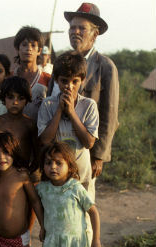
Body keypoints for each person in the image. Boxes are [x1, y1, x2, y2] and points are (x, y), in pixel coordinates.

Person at [48, 2, 119, 187]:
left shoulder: (105, 66)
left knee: (82, 207)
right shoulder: (60, 63)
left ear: (95, 34)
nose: (75, 32)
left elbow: (109, 116)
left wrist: (99, 156)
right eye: (72, 27)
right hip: (55, 154)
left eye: (82, 28)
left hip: (83, 151)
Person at [36, 142, 101, 247]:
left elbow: (93, 212)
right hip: (53, 244)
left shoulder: (75, 188)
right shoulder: (42, 188)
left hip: (75, 245)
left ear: (70, 166)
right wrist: (43, 227)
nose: (53, 167)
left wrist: (96, 240)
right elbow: (37, 207)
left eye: (59, 163)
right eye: (48, 162)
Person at [0, 76, 40, 247]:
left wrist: (30, 171)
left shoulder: (29, 124)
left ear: (27, 99)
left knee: (26, 208)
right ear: (4, 99)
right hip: (0, 174)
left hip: (22, 175)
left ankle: (26, 240)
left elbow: (37, 151)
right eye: (10, 97)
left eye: (20, 98)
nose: (15, 102)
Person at [38, 51, 99, 199]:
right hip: (57, 177)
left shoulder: (88, 105)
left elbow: (89, 142)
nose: (69, 86)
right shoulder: (48, 104)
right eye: (64, 81)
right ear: (57, 80)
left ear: (82, 80)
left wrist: (71, 112)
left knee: (83, 217)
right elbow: (45, 140)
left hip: (81, 176)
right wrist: (59, 110)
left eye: (74, 82)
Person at [12, 26, 49, 121]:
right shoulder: (9, 77)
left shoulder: (48, 79)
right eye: (24, 45)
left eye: (33, 45)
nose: (29, 49)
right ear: (17, 49)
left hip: (38, 133)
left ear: (39, 51)